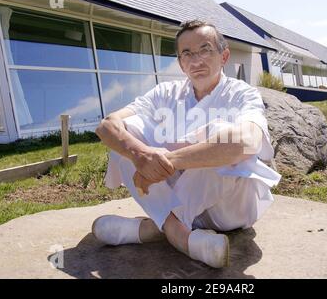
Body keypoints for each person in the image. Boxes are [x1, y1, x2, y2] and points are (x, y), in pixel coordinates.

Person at [93, 20, 281, 268]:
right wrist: (140, 155)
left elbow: (245, 142)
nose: (196, 60)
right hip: (181, 200)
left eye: (205, 50)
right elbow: (106, 126)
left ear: (224, 56)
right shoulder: (166, 93)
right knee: (127, 132)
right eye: (187, 53)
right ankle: (181, 235)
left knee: (223, 133)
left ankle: (151, 229)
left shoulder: (242, 93)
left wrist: (163, 161)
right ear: (181, 63)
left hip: (228, 210)